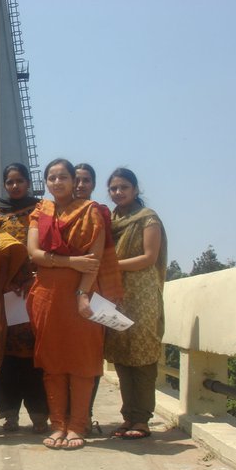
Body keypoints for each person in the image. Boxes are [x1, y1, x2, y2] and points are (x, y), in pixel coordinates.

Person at [27, 158, 109, 450]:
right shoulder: (41, 212)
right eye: (52, 177)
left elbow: (95, 261)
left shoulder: (92, 212)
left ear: (75, 181)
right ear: (46, 183)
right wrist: (71, 261)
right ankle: (57, 424)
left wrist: (82, 295)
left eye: (63, 177)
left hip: (80, 294)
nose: (57, 182)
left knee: (82, 361)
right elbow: (34, 253)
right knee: (53, 362)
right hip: (47, 294)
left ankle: (77, 426)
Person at [104, 168, 167, 440]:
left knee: (142, 356)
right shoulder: (111, 221)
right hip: (117, 294)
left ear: (135, 189)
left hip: (142, 294)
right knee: (122, 354)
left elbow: (149, 257)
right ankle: (128, 416)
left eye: (124, 187)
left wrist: (111, 265)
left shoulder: (147, 218)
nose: (118, 192)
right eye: (114, 188)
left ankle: (142, 419)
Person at [0, 163, 48, 434]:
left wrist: (31, 279)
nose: (15, 186)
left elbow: (49, 247)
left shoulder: (42, 211)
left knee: (36, 354)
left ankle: (39, 414)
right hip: (7, 293)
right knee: (6, 354)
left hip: (36, 289)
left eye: (19, 181)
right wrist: (9, 281)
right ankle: (9, 415)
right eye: (10, 182)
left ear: (28, 182)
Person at [73, 163, 124, 435]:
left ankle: (85, 414)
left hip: (93, 292)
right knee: (64, 357)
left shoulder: (99, 212)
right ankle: (66, 417)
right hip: (62, 293)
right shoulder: (56, 213)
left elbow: (102, 255)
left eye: (86, 181)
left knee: (89, 357)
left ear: (93, 185)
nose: (80, 185)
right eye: (76, 180)